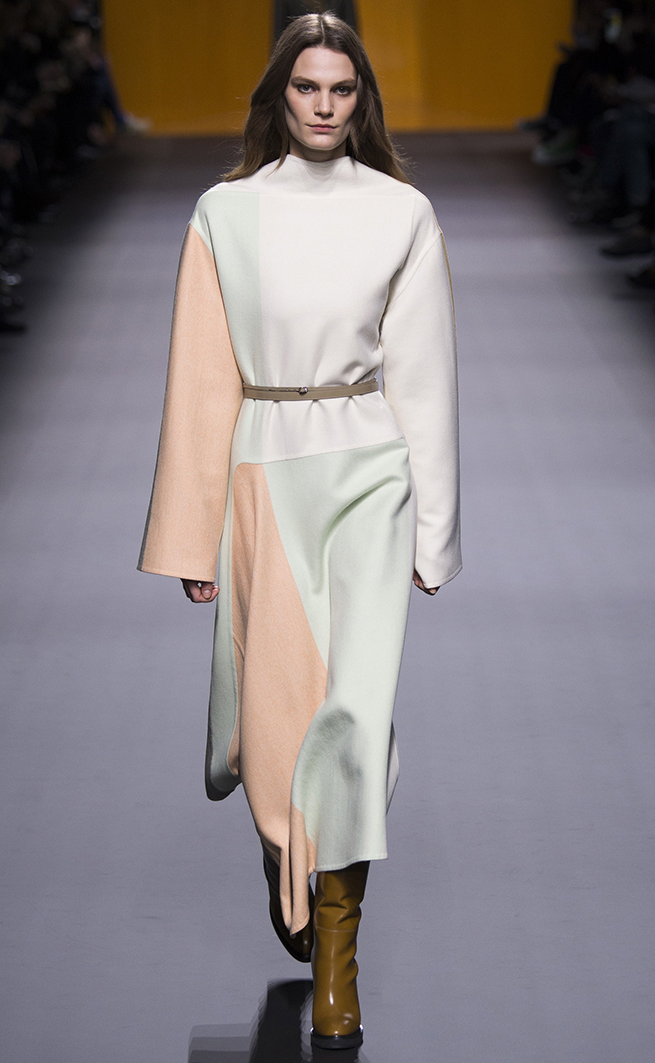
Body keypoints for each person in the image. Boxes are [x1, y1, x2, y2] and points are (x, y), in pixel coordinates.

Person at [136, 13, 458, 1051]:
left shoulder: (402, 213)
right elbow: (200, 381)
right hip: (265, 468)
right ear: (279, 96)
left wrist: (434, 529)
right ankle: (287, 846)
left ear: (363, 99)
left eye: (341, 89)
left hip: (369, 468)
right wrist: (189, 537)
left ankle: (337, 956)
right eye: (307, 87)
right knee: (278, 724)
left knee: (356, 715)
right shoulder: (225, 214)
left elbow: (425, 375)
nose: (324, 106)